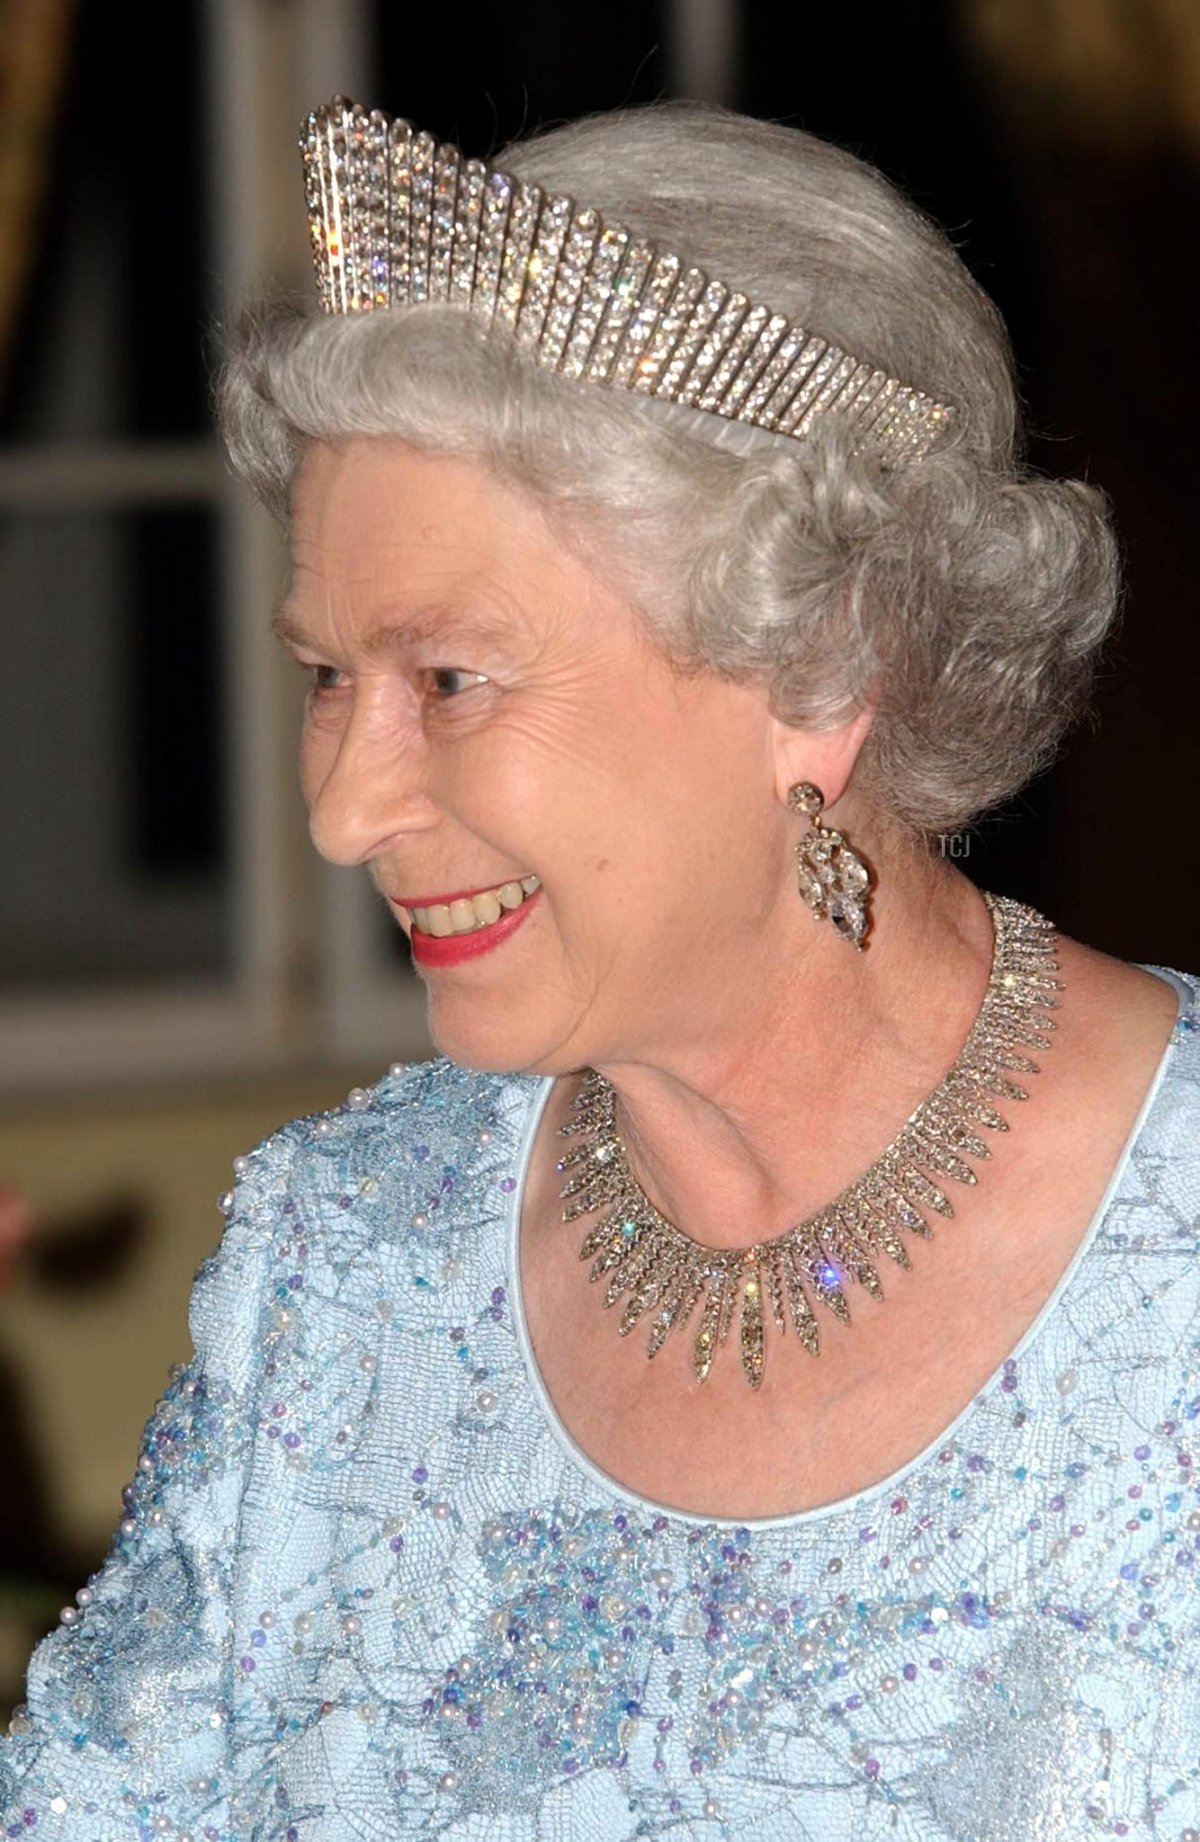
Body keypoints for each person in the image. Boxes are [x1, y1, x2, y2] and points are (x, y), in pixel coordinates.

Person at [2, 95, 1197, 1841]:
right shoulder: (344, 1265)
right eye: (329, 674)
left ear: (817, 669)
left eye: (450, 681)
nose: (340, 809)